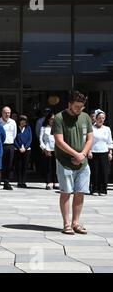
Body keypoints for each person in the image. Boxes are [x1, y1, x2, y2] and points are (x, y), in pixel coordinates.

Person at [52, 91, 93, 235]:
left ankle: (76, 222)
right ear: (69, 104)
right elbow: (59, 141)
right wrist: (75, 154)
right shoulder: (59, 118)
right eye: (77, 106)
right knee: (66, 192)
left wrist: (81, 155)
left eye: (82, 107)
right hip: (65, 162)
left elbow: (89, 138)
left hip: (82, 163)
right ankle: (66, 223)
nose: (79, 109)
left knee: (80, 192)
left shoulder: (86, 117)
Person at [88, 109, 113, 196]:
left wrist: (110, 152)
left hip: (104, 152)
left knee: (104, 171)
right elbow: (88, 141)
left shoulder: (107, 129)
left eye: (103, 118)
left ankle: (103, 189)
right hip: (94, 151)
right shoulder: (91, 128)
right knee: (94, 171)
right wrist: (89, 151)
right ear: (96, 118)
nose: (101, 119)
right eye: (99, 118)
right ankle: (94, 189)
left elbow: (110, 141)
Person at [0, 106, 17, 190]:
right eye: (5, 112)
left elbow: (14, 134)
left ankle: (6, 182)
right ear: (2, 113)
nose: (7, 114)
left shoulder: (13, 122)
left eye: (8, 113)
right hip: (0, 145)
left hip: (10, 145)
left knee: (9, 165)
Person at [39, 112, 58, 190]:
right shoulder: (43, 128)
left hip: (57, 150)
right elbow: (41, 140)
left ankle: (55, 181)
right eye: (51, 119)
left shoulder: (58, 128)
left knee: (56, 166)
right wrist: (44, 148)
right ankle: (48, 182)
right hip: (47, 149)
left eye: (54, 119)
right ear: (48, 119)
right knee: (48, 167)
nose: (52, 121)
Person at [14, 115, 32, 188]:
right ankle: (19, 181)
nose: (23, 122)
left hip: (26, 150)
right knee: (18, 166)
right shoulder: (16, 128)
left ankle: (23, 181)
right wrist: (19, 148)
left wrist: (25, 147)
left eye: (25, 121)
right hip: (17, 149)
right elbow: (14, 138)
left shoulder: (28, 128)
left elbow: (30, 139)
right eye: (22, 120)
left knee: (25, 166)